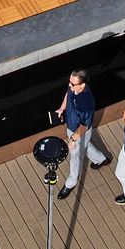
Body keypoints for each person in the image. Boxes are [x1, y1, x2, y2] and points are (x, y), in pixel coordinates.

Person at [52, 69, 106, 197]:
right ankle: (101, 159)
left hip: (79, 132)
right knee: (84, 145)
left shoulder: (85, 103)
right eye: (69, 81)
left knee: (75, 155)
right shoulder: (73, 87)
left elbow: (84, 126)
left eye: (72, 83)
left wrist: (73, 139)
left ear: (82, 84)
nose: (69, 85)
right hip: (71, 126)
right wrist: (61, 109)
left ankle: (71, 182)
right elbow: (68, 94)